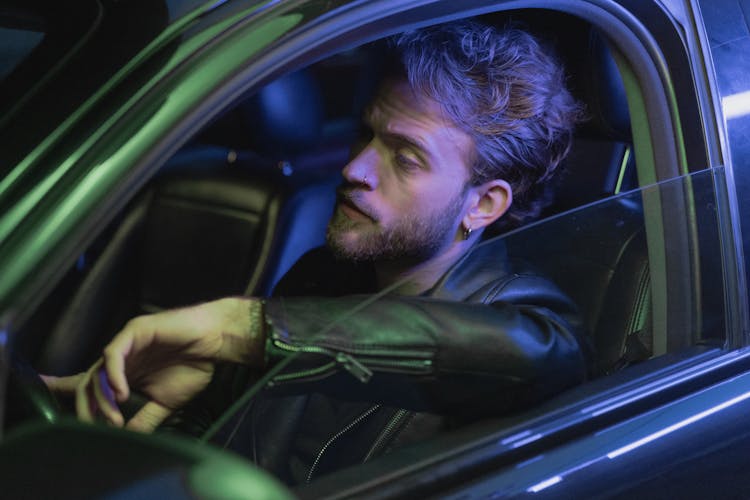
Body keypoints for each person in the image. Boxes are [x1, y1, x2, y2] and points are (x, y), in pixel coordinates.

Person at [56, 20, 590, 484]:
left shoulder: (534, 322)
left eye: (405, 157)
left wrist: (242, 330)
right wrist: (179, 424)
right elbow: (232, 436)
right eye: (366, 135)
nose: (354, 168)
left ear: (484, 204)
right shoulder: (323, 275)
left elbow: (533, 355)